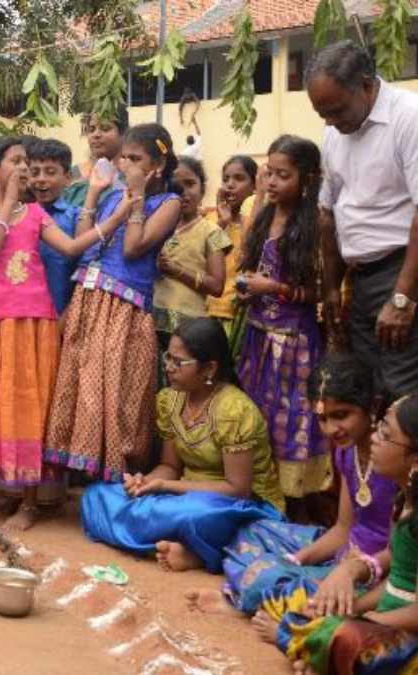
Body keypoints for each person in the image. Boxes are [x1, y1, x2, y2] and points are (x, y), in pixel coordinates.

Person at [0, 135, 128, 529]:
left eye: (27, 161)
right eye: (17, 161)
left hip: (33, 322)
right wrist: (9, 203)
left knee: (28, 408)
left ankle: (28, 502)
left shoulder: (36, 215)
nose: (26, 169)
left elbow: (71, 247)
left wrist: (112, 221)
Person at [194, 354, 398, 616]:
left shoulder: (397, 464)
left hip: (370, 575)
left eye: (342, 415)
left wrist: (351, 569)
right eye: (323, 419)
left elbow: (401, 557)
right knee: (251, 531)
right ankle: (258, 592)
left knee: (269, 576)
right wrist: (299, 559)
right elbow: (344, 528)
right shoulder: (347, 452)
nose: (331, 429)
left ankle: (244, 598)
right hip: (343, 552)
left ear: (373, 405)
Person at [82, 317, 284, 573]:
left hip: (241, 507)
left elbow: (239, 489)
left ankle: (196, 551)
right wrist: (144, 482)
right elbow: (169, 465)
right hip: (183, 495)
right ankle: (188, 545)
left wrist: (166, 486)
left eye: (179, 362)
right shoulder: (170, 400)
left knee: (195, 515)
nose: (168, 367)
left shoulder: (235, 410)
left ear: (209, 369)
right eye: (168, 358)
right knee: (98, 496)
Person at [44, 123, 183, 481]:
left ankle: (115, 479)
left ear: (158, 167)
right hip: (87, 298)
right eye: (124, 158)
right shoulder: (111, 197)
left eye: (135, 159)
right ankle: (79, 478)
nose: (125, 166)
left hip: (123, 308)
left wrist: (134, 199)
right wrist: (93, 194)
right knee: (79, 385)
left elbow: (133, 247)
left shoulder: (168, 203)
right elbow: (83, 243)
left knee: (115, 394)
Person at [255, 395, 418, 674]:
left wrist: (365, 619)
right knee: (298, 601)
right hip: (385, 608)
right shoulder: (405, 497)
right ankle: (315, 653)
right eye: (380, 428)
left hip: (406, 628)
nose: (375, 438)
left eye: (386, 434)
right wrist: (351, 608)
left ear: (415, 458)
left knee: (341, 635)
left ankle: (300, 644)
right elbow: (397, 579)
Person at [307, 41, 418, 404]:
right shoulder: (334, 131)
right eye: (321, 113)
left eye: (335, 110)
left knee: (402, 394)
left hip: (402, 271)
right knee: (367, 392)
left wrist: (403, 298)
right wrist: (332, 288)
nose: (329, 122)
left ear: (367, 86)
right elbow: (328, 214)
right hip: (360, 278)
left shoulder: (409, 117)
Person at [236, 135, 331, 519]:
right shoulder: (264, 216)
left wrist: (272, 287)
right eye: (268, 173)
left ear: (307, 179)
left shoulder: (316, 223)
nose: (272, 182)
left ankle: (297, 506)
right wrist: (249, 291)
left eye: (283, 175)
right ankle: (264, 497)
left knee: (294, 421)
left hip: (296, 344)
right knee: (259, 414)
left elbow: (322, 292)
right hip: (258, 337)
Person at [152, 156, 231, 341]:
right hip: (150, 322)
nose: (183, 191)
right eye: (175, 184)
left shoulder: (213, 232)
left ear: (202, 190)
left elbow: (217, 287)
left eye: (190, 184)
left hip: (188, 329)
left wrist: (176, 270)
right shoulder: (155, 225)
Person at [206, 155, 259, 362]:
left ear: (255, 186)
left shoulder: (256, 225)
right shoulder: (210, 220)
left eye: (239, 178)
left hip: (240, 312)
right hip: (209, 311)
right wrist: (222, 223)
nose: (230, 185)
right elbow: (200, 258)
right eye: (226, 179)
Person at [28, 138, 82, 315]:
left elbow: (83, 273)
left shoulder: (77, 218)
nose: (41, 179)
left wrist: (67, 317)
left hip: (60, 316)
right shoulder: (18, 217)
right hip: (23, 316)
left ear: (67, 178)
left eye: (50, 172)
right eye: (34, 172)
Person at [62, 106, 128, 208]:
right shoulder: (73, 174)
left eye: (105, 129)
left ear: (122, 133)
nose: (96, 135)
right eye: (91, 129)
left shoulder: (131, 175)